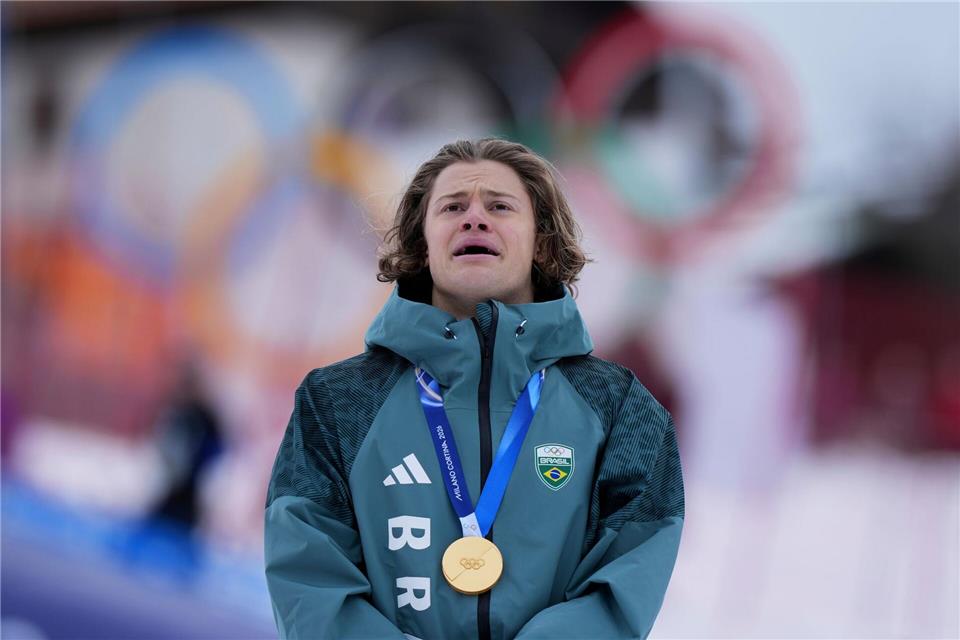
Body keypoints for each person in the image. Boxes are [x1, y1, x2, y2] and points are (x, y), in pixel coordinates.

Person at [264, 138, 684, 640]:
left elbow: (626, 577)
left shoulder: (620, 409)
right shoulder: (337, 401)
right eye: (453, 207)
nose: (474, 218)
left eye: (500, 206)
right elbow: (309, 580)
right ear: (422, 244)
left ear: (543, 242)